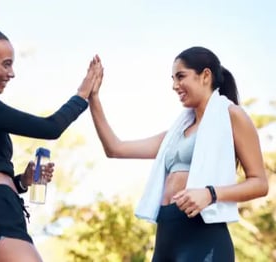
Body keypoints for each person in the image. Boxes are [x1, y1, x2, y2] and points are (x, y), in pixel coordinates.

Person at [0, 12, 101, 262]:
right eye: (6, 64)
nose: (12, 73)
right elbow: (50, 128)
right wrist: (82, 95)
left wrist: (23, 181)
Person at [89, 47, 268, 261]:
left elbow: (259, 183)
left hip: (203, 236)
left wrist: (210, 194)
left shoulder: (232, 115)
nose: (174, 86)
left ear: (205, 76)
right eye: (173, 79)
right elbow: (115, 148)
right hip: (166, 235)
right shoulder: (174, 135)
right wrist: (93, 99)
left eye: (180, 76)